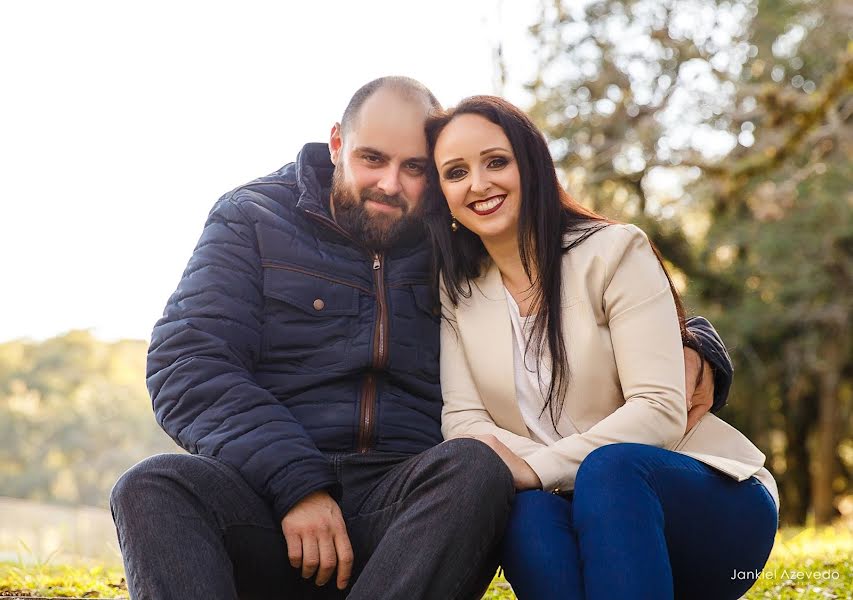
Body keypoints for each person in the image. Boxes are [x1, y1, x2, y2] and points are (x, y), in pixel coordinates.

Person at [109, 76, 732, 600]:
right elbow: (186, 361)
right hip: (269, 497)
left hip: (408, 511)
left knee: (477, 466)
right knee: (151, 486)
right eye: (371, 159)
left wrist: (699, 347)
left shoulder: (452, 234)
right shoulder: (251, 218)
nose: (391, 185)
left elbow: (561, 269)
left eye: (415, 169)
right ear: (336, 144)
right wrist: (296, 483)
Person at [426, 95, 778, 600]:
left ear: (532, 166)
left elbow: (658, 409)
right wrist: (543, 479)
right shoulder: (457, 291)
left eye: (496, 161)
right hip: (564, 513)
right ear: (442, 194)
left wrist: (539, 468)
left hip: (704, 512)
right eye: (456, 172)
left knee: (610, 470)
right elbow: (463, 422)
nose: (478, 184)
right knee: (523, 511)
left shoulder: (613, 252)